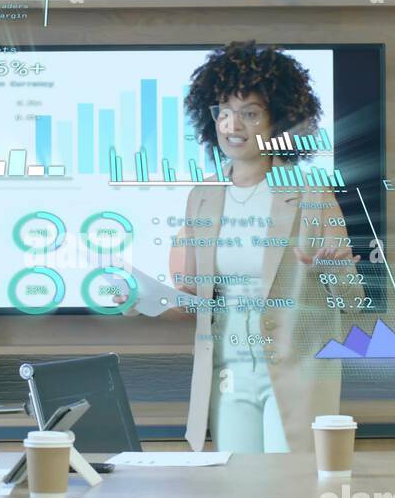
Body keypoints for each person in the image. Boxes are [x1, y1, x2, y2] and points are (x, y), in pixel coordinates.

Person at [126, 42, 364, 453]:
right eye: (223, 111)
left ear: (278, 122)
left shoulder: (311, 194)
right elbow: (198, 301)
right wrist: (140, 299)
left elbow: (353, 301)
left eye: (250, 112)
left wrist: (333, 270)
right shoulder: (202, 197)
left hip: (296, 376)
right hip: (227, 376)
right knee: (238, 496)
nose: (232, 125)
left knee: (289, 497)